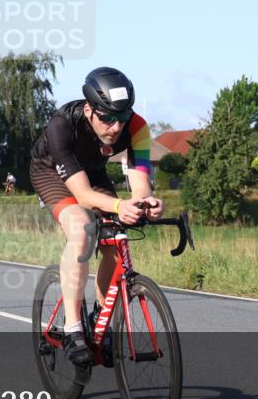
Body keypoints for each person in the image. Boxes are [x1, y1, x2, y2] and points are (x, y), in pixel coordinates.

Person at [29, 67, 164, 365]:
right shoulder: (61, 125)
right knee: (81, 227)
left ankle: (99, 317)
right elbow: (83, 194)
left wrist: (146, 203)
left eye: (123, 117)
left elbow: (140, 181)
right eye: (107, 118)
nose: (116, 127)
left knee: (116, 243)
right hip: (51, 172)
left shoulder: (137, 127)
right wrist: (118, 206)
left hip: (93, 172)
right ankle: (73, 328)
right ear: (89, 108)